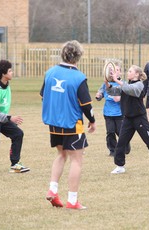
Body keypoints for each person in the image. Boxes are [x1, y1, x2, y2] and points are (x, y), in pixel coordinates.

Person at [41, 40, 96, 210]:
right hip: (72, 124)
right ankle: (72, 200)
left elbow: (43, 95)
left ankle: (53, 189)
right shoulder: (79, 77)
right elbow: (86, 105)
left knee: (61, 155)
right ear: (78, 56)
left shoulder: (50, 73)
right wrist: (92, 121)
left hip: (54, 124)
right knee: (76, 160)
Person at [106, 65, 149, 174]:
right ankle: (120, 166)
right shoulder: (125, 84)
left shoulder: (139, 85)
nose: (128, 72)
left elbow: (130, 89)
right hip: (128, 119)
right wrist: (107, 82)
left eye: (130, 71)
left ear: (136, 74)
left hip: (139, 118)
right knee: (121, 143)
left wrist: (117, 80)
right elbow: (112, 92)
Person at [95, 61, 130, 157]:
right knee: (110, 132)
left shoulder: (123, 84)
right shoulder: (106, 84)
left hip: (120, 113)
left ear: (120, 72)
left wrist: (120, 99)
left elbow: (127, 97)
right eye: (112, 70)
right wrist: (98, 96)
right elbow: (100, 93)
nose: (114, 72)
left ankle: (125, 146)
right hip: (108, 112)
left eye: (117, 70)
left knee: (120, 132)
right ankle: (112, 150)